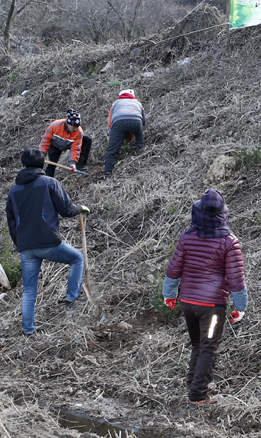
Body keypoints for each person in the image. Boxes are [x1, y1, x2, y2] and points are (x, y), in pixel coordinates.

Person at [162, 189, 248, 407]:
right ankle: (198, 395)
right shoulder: (230, 242)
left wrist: (169, 295)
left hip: (188, 303)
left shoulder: (187, 237)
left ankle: (195, 382)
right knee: (208, 347)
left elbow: (174, 269)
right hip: (212, 307)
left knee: (198, 345)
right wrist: (241, 306)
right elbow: (236, 278)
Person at [6, 149, 88, 337]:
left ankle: (28, 332)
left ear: (23, 165)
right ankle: (71, 299)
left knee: (29, 291)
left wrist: (19, 243)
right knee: (77, 259)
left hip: (26, 247)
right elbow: (66, 209)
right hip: (49, 241)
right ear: (43, 164)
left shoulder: (14, 191)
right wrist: (81, 208)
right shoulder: (50, 183)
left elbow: (11, 221)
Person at [104, 89, 146, 180]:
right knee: (139, 133)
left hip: (119, 123)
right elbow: (143, 121)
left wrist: (114, 133)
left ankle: (107, 172)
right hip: (136, 121)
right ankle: (142, 149)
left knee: (112, 150)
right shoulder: (138, 103)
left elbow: (110, 122)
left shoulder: (115, 103)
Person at [39, 109, 84, 177]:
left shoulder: (79, 132)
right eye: (74, 126)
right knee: (52, 163)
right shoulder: (54, 126)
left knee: (87, 141)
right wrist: (41, 154)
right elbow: (45, 140)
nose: (76, 129)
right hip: (54, 146)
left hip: (68, 145)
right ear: (68, 123)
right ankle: (48, 179)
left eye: (77, 126)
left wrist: (73, 163)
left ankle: (81, 166)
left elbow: (76, 148)